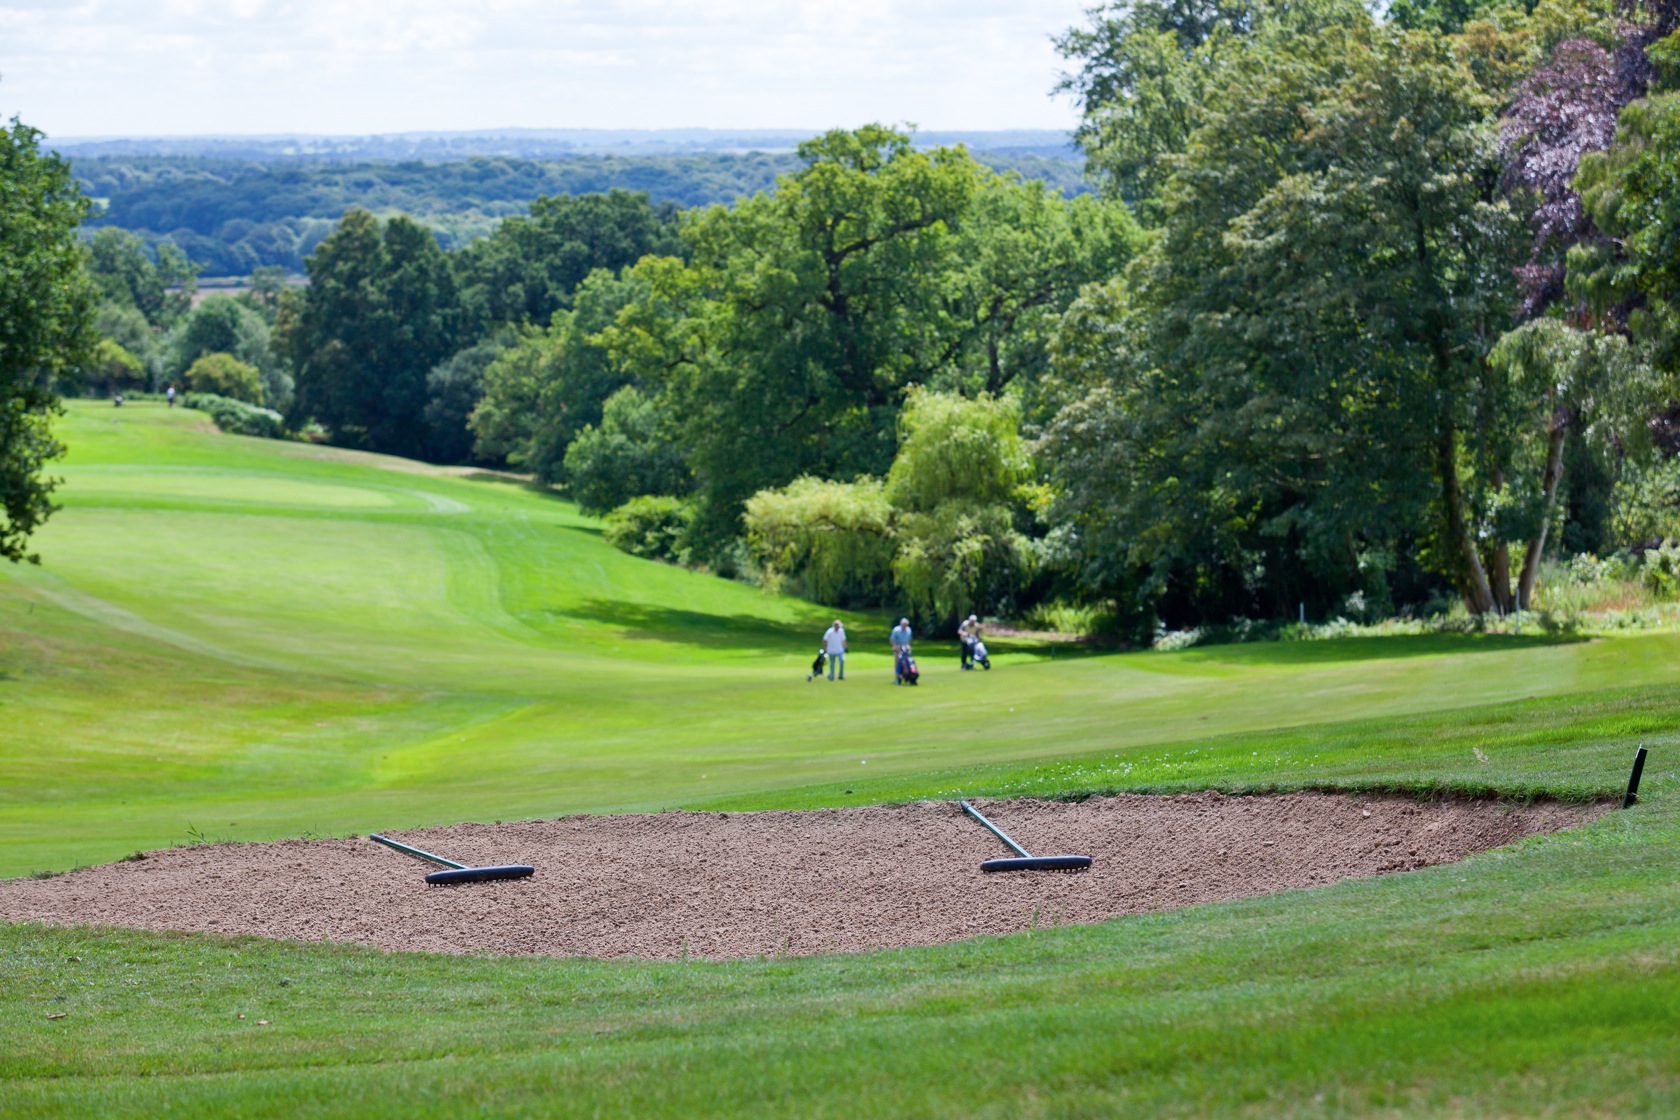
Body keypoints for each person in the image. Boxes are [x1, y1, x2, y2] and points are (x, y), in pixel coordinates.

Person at [889, 617, 912, 683]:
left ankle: (908, 675)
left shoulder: (909, 630)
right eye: (904, 625)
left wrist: (908, 646)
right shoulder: (896, 630)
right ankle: (897, 677)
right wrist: (896, 646)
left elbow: (909, 640)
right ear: (901, 624)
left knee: (908, 662)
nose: (905, 626)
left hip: (906, 647)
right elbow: (892, 640)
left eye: (906, 625)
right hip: (898, 647)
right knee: (898, 663)